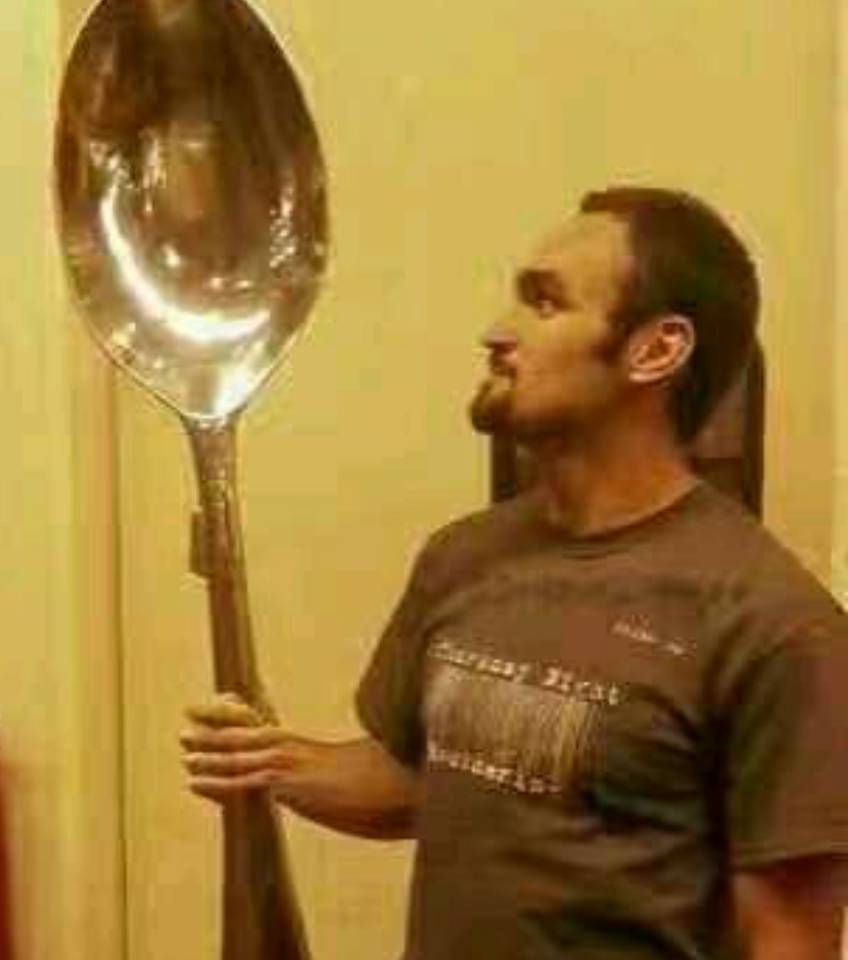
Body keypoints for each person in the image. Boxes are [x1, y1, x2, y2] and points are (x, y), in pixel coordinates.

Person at [180, 187, 848, 959]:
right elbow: (419, 781)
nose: (497, 332)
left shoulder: (775, 625)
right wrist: (273, 760)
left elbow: (788, 942)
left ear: (656, 350)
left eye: (544, 302)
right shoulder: (464, 555)